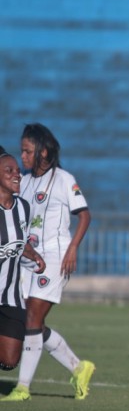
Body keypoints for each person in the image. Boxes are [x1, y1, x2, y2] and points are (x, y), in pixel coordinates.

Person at [2, 124, 93, 402]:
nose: (23, 157)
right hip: (28, 260)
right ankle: (79, 368)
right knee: (31, 323)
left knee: (32, 318)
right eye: (21, 151)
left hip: (56, 258)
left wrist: (73, 249)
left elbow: (85, 215)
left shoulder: (64, 179)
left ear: (43, 151)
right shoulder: (24, 181)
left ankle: (23, 388)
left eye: (27, 151)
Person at [0, 147, 46, 374]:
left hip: (10, 297)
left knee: (9, 361)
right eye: (9, 170)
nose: (17, 174)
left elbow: (20, 241)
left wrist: (33, 255)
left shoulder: (24, 208)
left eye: (17, 170)